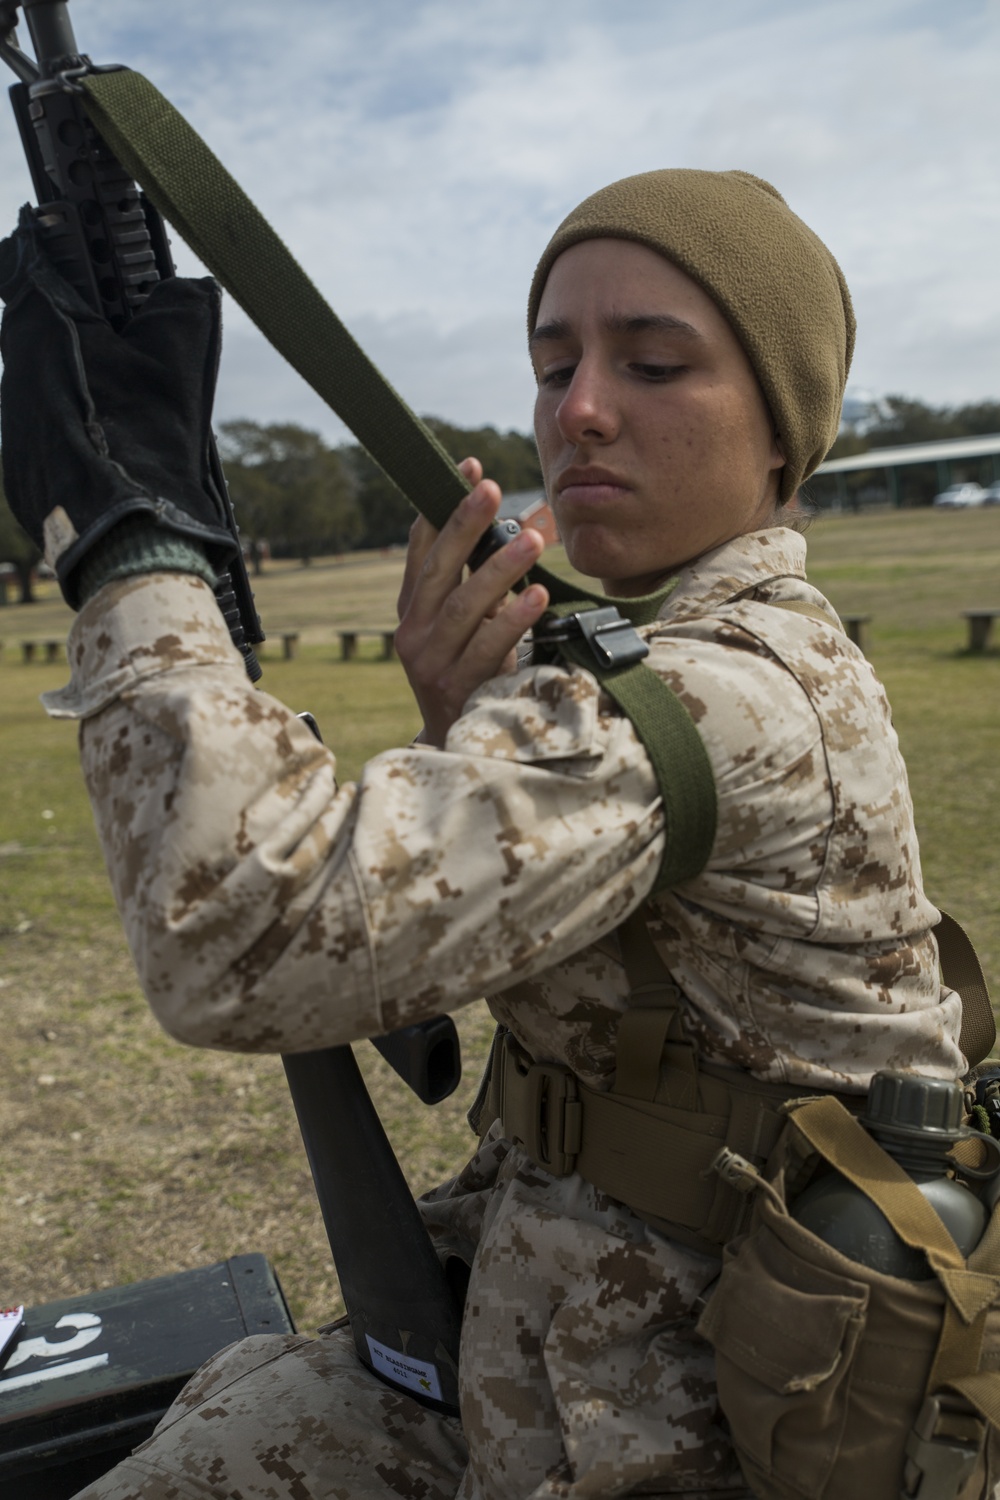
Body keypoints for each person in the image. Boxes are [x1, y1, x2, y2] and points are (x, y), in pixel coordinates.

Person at [0, 168, 967, 1500]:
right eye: (554, 360)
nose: (579, 409)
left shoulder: (722, 693)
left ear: (786, 438)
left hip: (692, 1424)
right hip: (530, 1330)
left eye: (656, 364)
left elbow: (240, 930)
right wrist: (455, 726)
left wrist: (127, 536)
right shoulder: (639, 659)